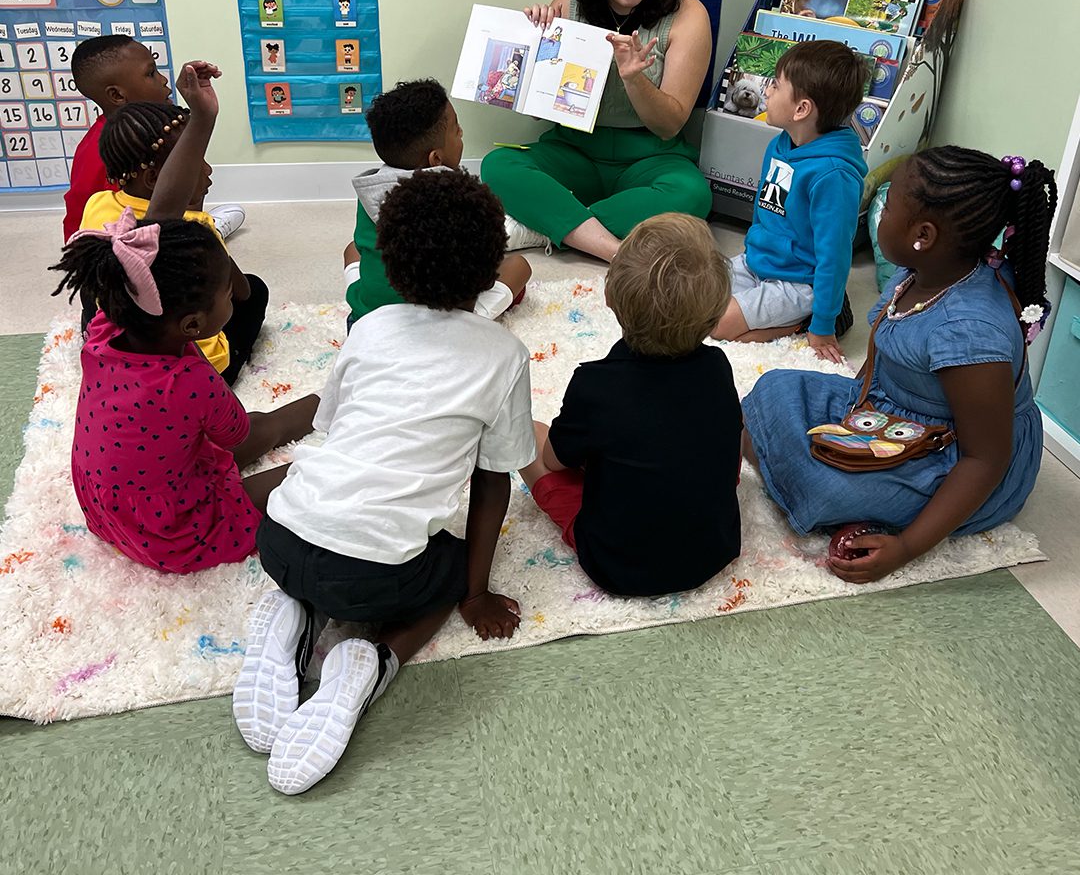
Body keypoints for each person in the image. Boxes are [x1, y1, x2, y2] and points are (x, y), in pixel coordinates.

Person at [234, 169, 535, 795]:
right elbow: (493, 480)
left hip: (282, 540)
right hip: (376, 581)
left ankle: (297, 616)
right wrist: (475, 593)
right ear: (491, 269)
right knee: (448, 569)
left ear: (391, 267)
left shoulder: (369, 329)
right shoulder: (504, 357)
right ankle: (373, 660)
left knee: (329, 547)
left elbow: (329, 426)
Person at [742, 145, 1058, 583]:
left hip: (956, 454)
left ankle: (883, 517)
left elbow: (986, 458)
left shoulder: (967, 332)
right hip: (889, 408)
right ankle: (849, 494)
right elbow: (880, 363)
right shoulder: (929, 270)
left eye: (887, 206)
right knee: (773, 389)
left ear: (923, 235)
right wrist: (850, 420)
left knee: (825, 487)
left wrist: (906, 549)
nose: (877, 211)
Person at [48, 63, 318, 575]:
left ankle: (328, 402)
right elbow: (238, 434)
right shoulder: (190, 379)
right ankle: (334, 412)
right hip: (174, 531)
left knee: (257, 432)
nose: (229, 303)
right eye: (223, 298)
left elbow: (159, 221)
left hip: (108, 512)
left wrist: (203, 118)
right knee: (307, 473)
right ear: (194, 325)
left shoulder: (111, 324)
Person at [481, 0, 713, 262]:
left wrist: (635, 79)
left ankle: (552, 226)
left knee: (693, 196)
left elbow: (670, 125)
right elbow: (540, 114)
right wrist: (533, 49)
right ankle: (611, 247)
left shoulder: (688, 15)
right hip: (575, 150)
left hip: (651, 157)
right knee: (497, 166)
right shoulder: (566, 4)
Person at [520, 212, 742, 596]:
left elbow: (557, 461)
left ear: (608, 296)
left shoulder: (594, 384)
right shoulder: (718, 366)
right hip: (716, 546)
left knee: (527, 433)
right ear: (714, 317)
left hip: (617, 565)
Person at [80, 94, 269, 386]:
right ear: (156, 178)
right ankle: (229, 365)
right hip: (190, 372)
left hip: (119, 348)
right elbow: (240, 292)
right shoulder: (195, 228)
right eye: (195, 162)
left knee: (103, 272)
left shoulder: (98, 204)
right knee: (256, 289)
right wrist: (208, 230)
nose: (207, 170)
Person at [710, 40, 869, 363]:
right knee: (693, 300)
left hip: (797, 281)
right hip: (757, 261)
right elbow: (765, 211)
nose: (767, 91)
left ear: (802, 109)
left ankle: (803, 322)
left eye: (776, 85)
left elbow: (835, 254)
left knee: (718, 325)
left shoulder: (833, 175)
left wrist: (822, 326)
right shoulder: (781, 144)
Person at [345, 78, 530, 326]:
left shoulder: (370, 188)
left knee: (352, 249)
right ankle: (475, 319)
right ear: (436, 158)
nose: (461, 133)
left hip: (365, 322)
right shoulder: (457, 197)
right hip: (445, 321)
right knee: (519, 265)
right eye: (456, 129)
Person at [64, 35, 245, 243]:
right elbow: (150, 223)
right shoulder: (106, 154)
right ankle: (205, 230)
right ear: (117, 95)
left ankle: (203, 228)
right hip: (119, 246)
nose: (164, 79)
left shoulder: (140, 133)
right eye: (151, 73)